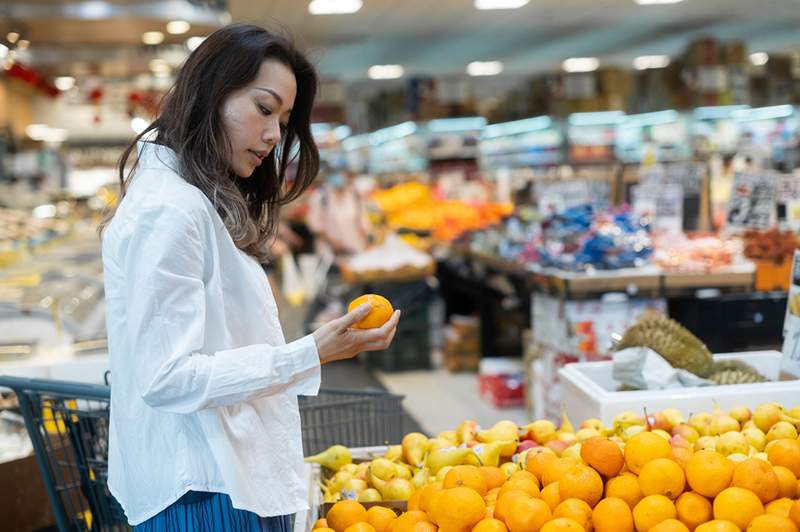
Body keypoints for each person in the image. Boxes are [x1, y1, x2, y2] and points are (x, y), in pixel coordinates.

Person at [99, 24, 400, 531]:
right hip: (204, 490)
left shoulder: (187, 197)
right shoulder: (170, 210)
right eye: (264, 109)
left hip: (222, 476)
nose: (274, 136)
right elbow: (167, 378)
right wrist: (310, 352)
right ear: (210, 94)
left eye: (283, 119)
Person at [306, 163, 371, 259]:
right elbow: (315, 225)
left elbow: (362, 220)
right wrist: (334, 243)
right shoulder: (321, 197)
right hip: (330, 252)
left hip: (354, 248)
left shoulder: (354, 195)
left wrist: (367, 241)